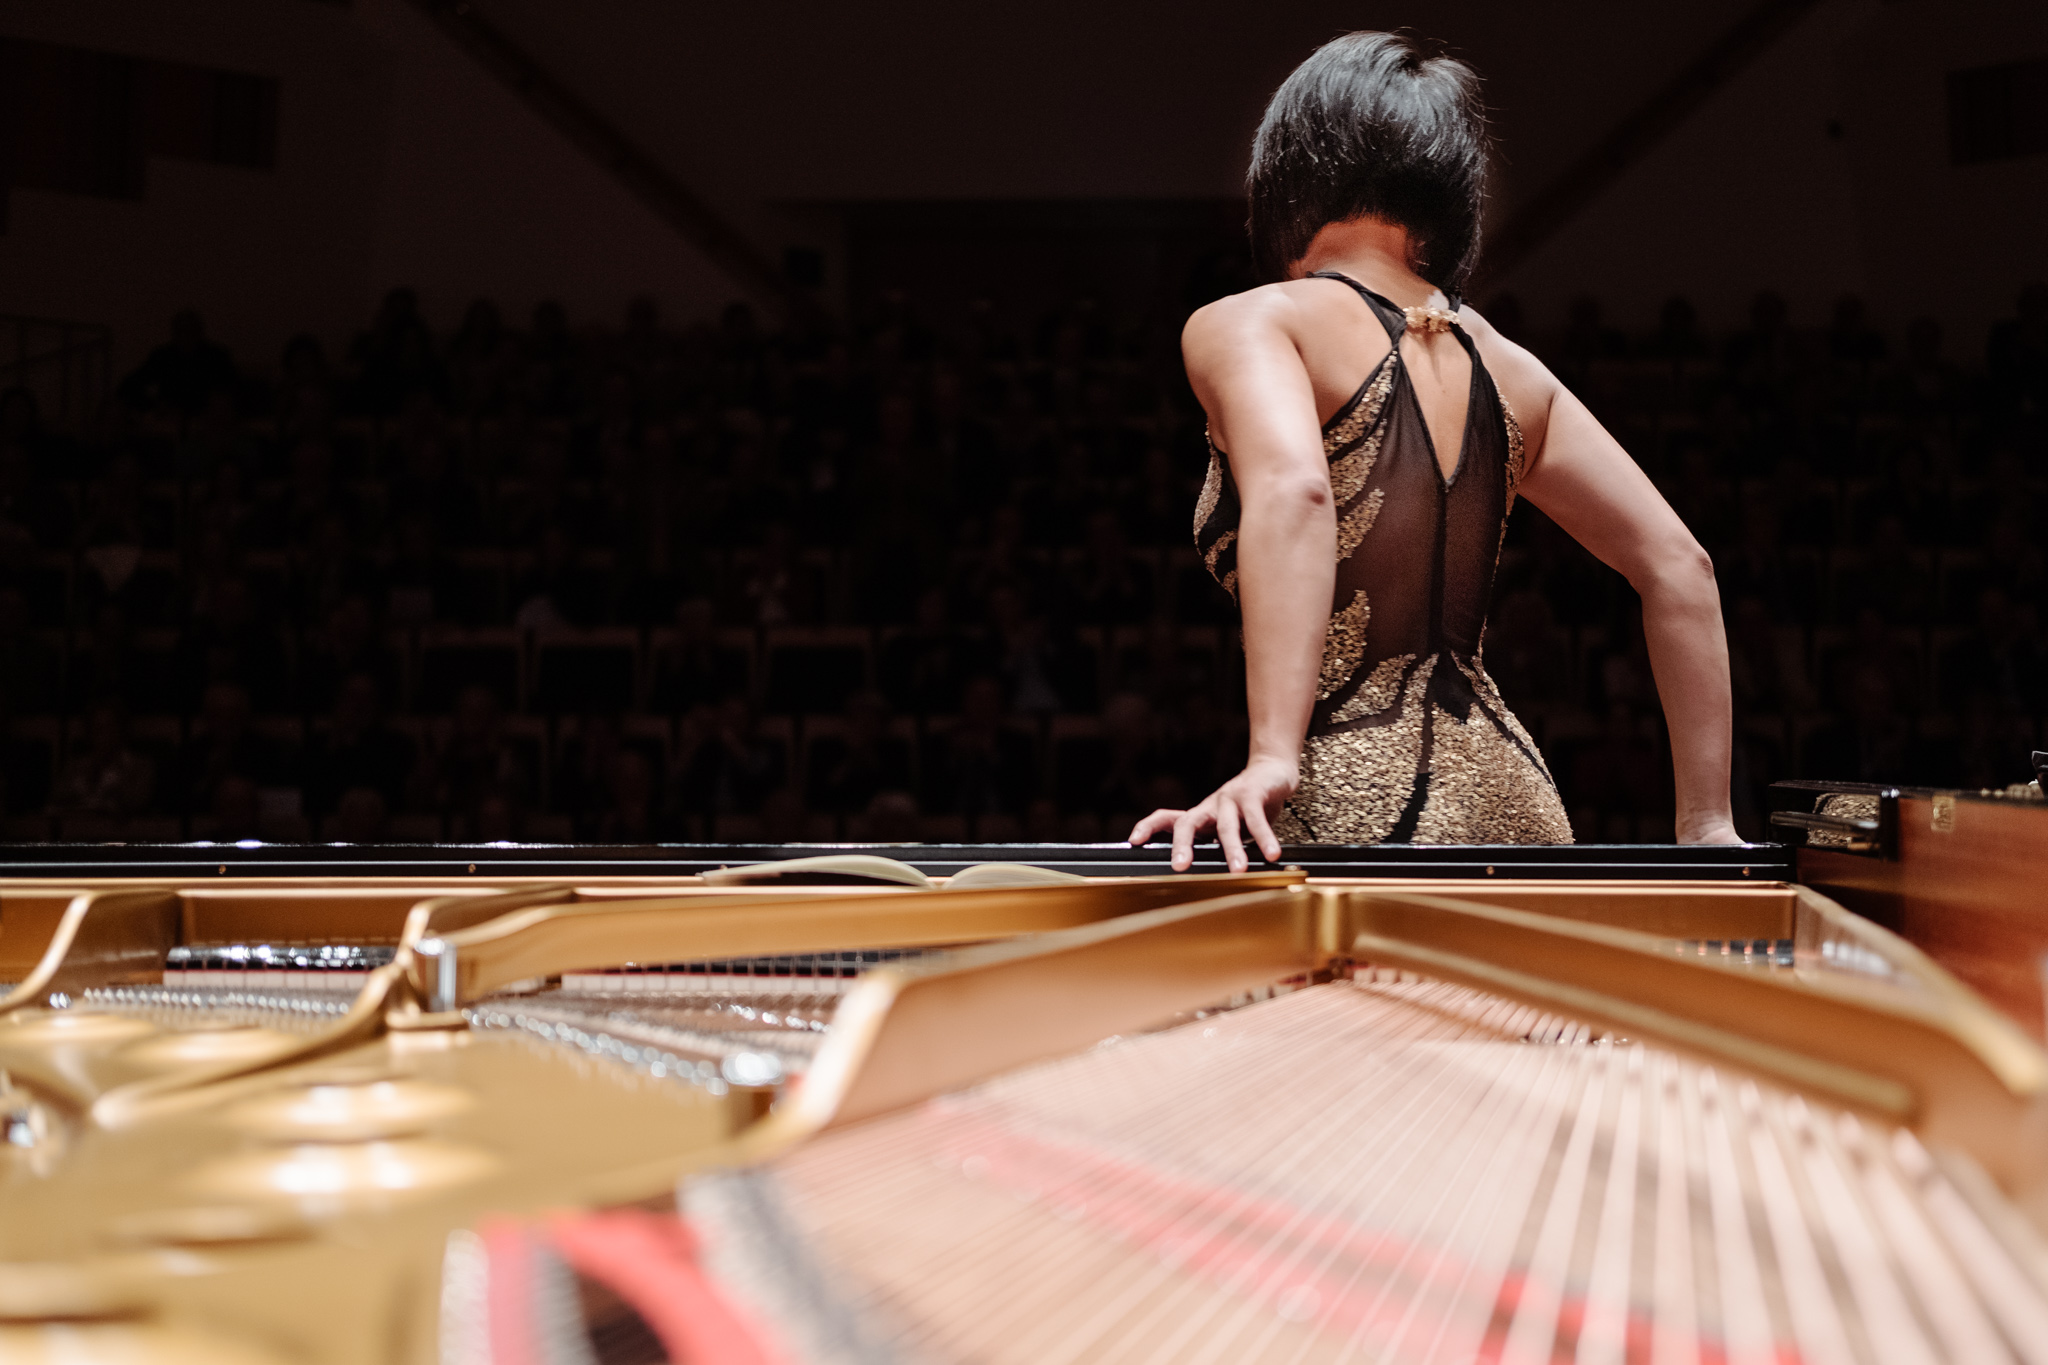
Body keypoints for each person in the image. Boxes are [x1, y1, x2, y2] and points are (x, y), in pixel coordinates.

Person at [1130, 32, 1737, 869]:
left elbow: (1298, 492)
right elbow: (1682, 567)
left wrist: (1272, 756)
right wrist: (1708, 827)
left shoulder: (1253, 321)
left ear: (1291, 171)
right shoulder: (1513, 368)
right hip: (1522, 804)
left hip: (1357, 798)